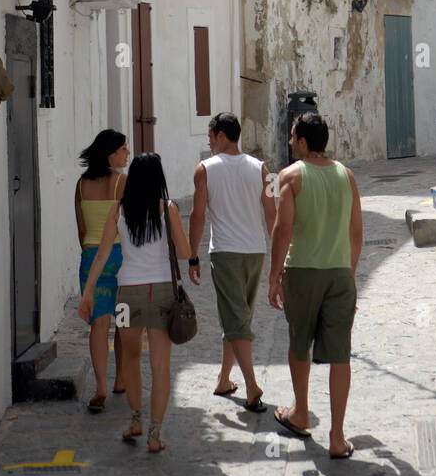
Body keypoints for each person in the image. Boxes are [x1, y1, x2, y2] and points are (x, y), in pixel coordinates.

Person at [79, 152, 192, 452]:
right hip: (162, 293)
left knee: (128, 357)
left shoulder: (119, 210)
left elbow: (102, 254)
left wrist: (88, 291)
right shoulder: (167, 209)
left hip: (127, 295)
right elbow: (184, 251)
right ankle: (155, 433)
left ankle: (135, 419)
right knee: (160, 365)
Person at [268, 112, 363, 458]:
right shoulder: (347, 176)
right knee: (341, 355)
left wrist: (274, 275)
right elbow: (356, 232)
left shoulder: (291, 176)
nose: (290, 142)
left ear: (304, 141)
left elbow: (283, 229)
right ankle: (337, 438)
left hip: (303, 272)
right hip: (339, 273)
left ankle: (301, 411)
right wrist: (349, 273)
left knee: (299, 342)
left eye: (293, 137)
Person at [188, 112, 274, 412]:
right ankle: (224, 379)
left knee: (236, 320)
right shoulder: (262, 169)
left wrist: (192, 254)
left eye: (210, 136)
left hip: (225, 252)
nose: (209, 142)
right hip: (256, 251)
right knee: (238, 317)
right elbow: (271, 212)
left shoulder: (205, 170)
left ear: (222, 135)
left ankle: (251, 386)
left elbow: (198, 215)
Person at [75, 129, 128, 413]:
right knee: (122, 320)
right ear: (111, 153)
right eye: (123, 149)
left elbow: (82, 229)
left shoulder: (81, 185)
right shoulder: (122, 182)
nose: (127, 154)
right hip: (119, 256)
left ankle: (101, 388)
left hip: (91, 257)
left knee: (99, 324)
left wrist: (89, 254)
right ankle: (120, 378)